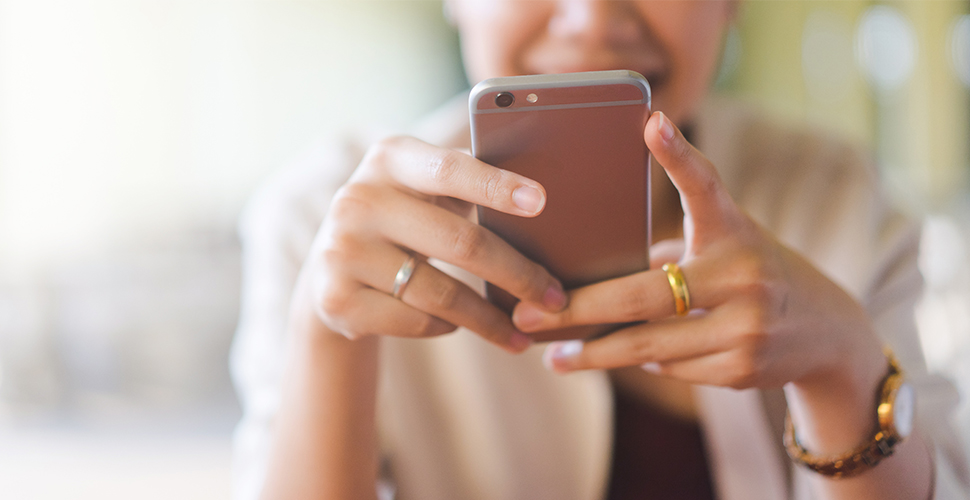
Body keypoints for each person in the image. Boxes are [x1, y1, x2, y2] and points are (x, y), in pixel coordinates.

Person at [230, 2, 970, 499]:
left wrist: (845, 368)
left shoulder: (836, 193)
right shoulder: (318, 216)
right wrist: (329, 340)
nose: (594, 19)